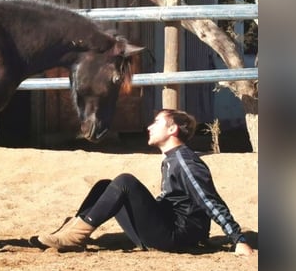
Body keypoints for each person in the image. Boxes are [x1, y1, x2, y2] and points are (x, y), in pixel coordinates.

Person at [34, 109, 255, 256]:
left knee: (125, 182)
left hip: (176, 238)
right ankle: (72, 229)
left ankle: (76, 237)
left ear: (172, 129)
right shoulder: (171, 159)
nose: (149, 127)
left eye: (156, 122)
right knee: (105, 185)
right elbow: (173, 200)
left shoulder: (185, 161)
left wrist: (238, 239)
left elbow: (209, 200)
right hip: (167, 229)